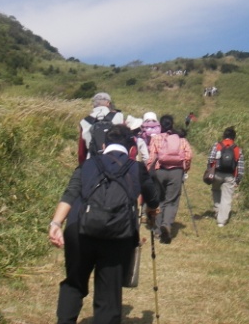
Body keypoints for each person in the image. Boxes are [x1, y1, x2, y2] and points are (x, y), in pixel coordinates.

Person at [49, 124, 160, 324]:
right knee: (109, 293)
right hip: (118, 234)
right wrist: (152, 210)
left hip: (79, 230)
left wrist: (55, 223)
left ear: (103, 144)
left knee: (74, 283)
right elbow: (153, 198)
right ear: (132, 148)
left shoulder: (88, 165)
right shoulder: (137, 168)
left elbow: (71, 193)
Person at [146, 114, 192, 244]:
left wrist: (150, 171)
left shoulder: (156, 139)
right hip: (176, 172)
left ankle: (157, 230)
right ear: (172, 125)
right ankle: (166, 225)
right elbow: (188, 156)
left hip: (160, 170)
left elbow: (152, 157)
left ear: (161, 125)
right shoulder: (181, 140)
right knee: (171, 201)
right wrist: (185, 170)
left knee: (159, 199)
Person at [206, 126, 245, 227]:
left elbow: (210, 159)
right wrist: (238, 179)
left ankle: (217, 210)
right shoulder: (237, 149)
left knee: (215, 191)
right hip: (230, 176)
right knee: (227, 198)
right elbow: (240, 167)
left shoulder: (217, 145)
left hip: (217, 174)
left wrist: (209, 170)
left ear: (224, 135)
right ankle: (221, 221)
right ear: (234, 137)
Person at [77, 92, 124, 165]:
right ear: (108, 103)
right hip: (116, 160)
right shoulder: (119, 117)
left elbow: (81, 151)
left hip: (93, 161)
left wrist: (83, 165)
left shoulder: (85, 121)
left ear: (94, 104)